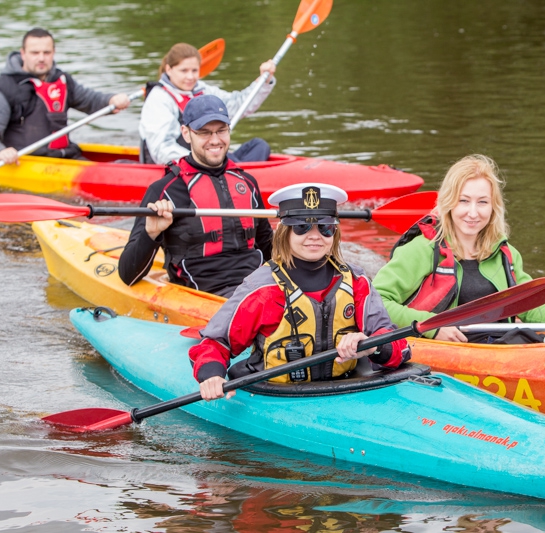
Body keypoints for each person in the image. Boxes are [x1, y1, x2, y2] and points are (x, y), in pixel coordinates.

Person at [188, 183, 411, 400]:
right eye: (302, 227)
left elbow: (396, 344)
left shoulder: (356, 281)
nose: (315, 236)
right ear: (285, 232)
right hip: (276, 392)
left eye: (325, 227)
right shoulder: (262, 288)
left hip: (346, 385)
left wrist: (372, 346)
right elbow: (216, 343)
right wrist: (212, 375)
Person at [373, 154, 545, 344]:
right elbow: (376, 301)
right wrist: (431, 327)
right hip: (443, 351)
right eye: (464, 201)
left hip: (496, 347)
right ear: (449, 203)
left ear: (493, 207)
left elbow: (528, 303)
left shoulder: (505, 254)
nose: (473, 212)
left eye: (483, 202)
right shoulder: (421, 250)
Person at [118, 95, 273, 298]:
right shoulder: (164, 191)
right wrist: (151, 235)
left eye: (221, 131)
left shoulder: (247, 183)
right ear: (186, 133)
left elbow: (269, 250)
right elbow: (128, 275)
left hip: (256, 286)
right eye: (204, 133)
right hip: (206, 296)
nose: (215, 140)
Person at [0, 27, 131, 164]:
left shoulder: (61, 80)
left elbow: (90, 100)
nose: (41, 58)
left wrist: (111, 100)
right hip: (29, 162)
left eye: (47, 52)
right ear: (23, 53)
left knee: (123, 164)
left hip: (64, 157)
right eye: (35, 53)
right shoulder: (3, 90)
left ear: (53, 53)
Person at [139, 42, 276, 165]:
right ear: (169, 70)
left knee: (259, 145)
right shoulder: (159, 98)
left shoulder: (203, 89)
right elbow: (162, 149)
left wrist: (264, 82)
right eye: (184, 71)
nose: (191, 77)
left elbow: (238, 105)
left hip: (208, 157)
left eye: (194, 70)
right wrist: (201, 161)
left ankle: (236, 172)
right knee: (227, 159)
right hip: (181, 167)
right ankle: (236, 173)